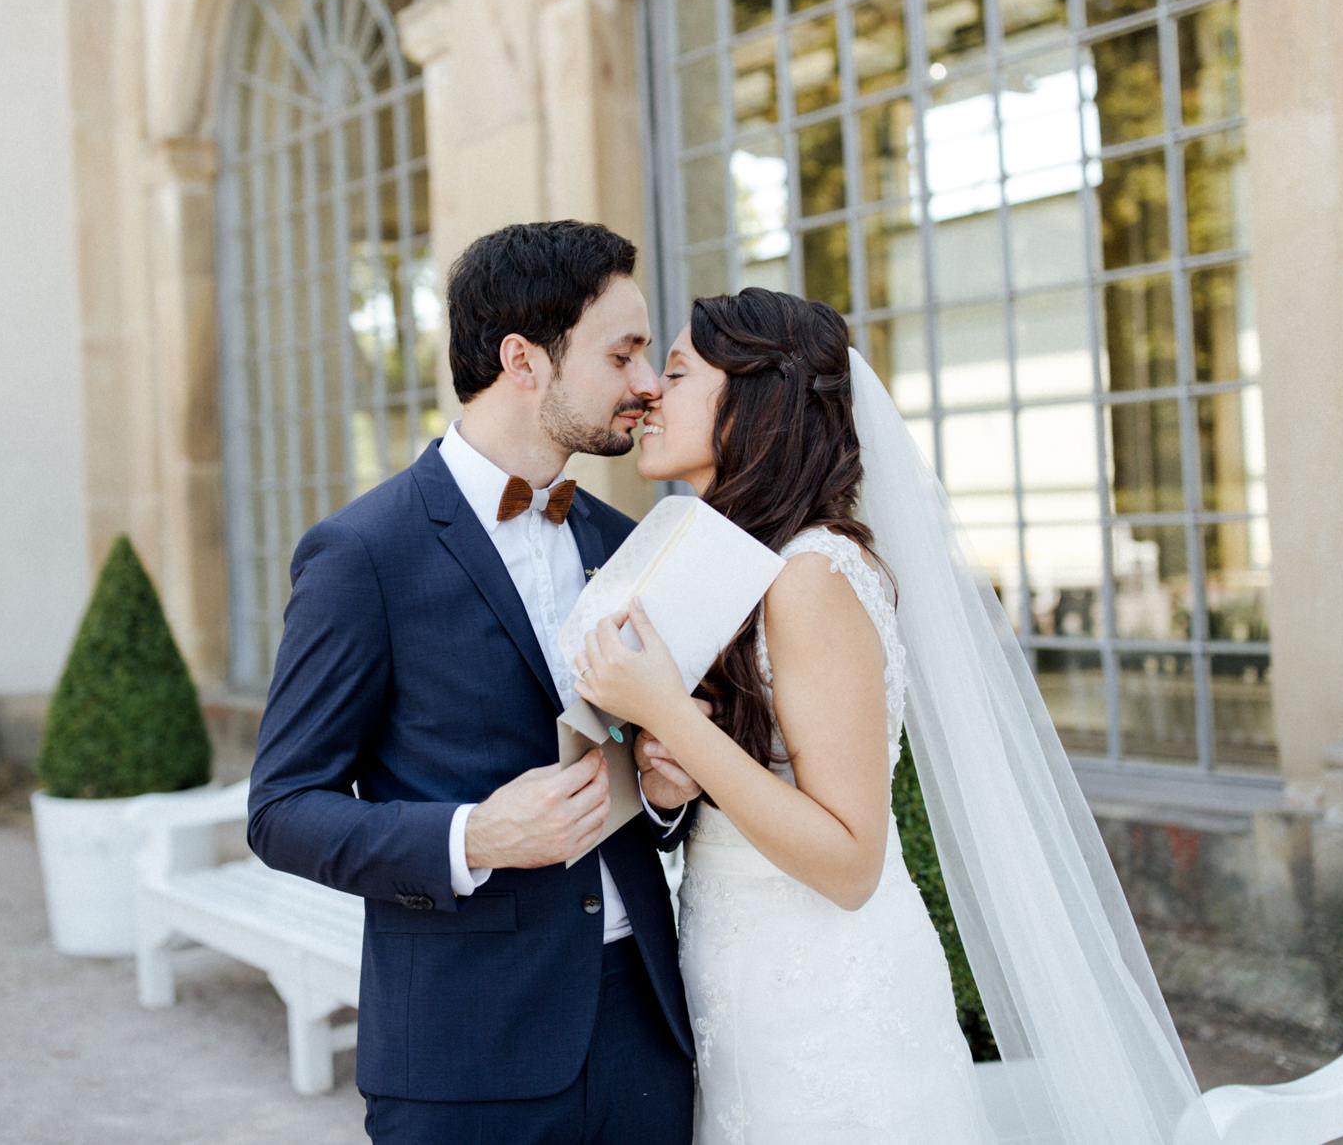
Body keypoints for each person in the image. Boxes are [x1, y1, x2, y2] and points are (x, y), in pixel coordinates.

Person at [576, 288, 1205, 1144]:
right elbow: (759, 778)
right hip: (739, 981)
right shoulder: (727, 563)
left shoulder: (812, 576)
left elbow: (850, 858)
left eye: (679, 372)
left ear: (754, 402)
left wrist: (672, 719)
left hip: (834, 1004)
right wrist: (675, 779)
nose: (650, 392)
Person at [247, 221, 697, 1145]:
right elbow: (282, 807)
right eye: (624, 353)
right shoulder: (362, 555)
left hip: (641, 1031)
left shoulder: (622, 544)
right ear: (523, 359)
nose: (649, 383)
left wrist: (662, 796)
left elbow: (644, 774)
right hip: (465, 1055)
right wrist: (476, 835)